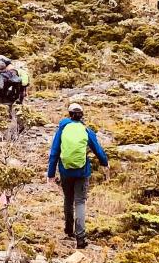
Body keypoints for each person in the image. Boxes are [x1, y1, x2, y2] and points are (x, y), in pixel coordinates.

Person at [47, 106, 112, 249]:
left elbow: (54, 151)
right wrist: (104, 163)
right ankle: (81, 238)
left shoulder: (62, 129)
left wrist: (51, 173)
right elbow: (97, 149)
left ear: (70, 115)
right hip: (82, 172)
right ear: (81, 116)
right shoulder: (86, 130)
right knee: (80, 202)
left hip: (65, 171)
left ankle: (69, 230)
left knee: (68, 199)